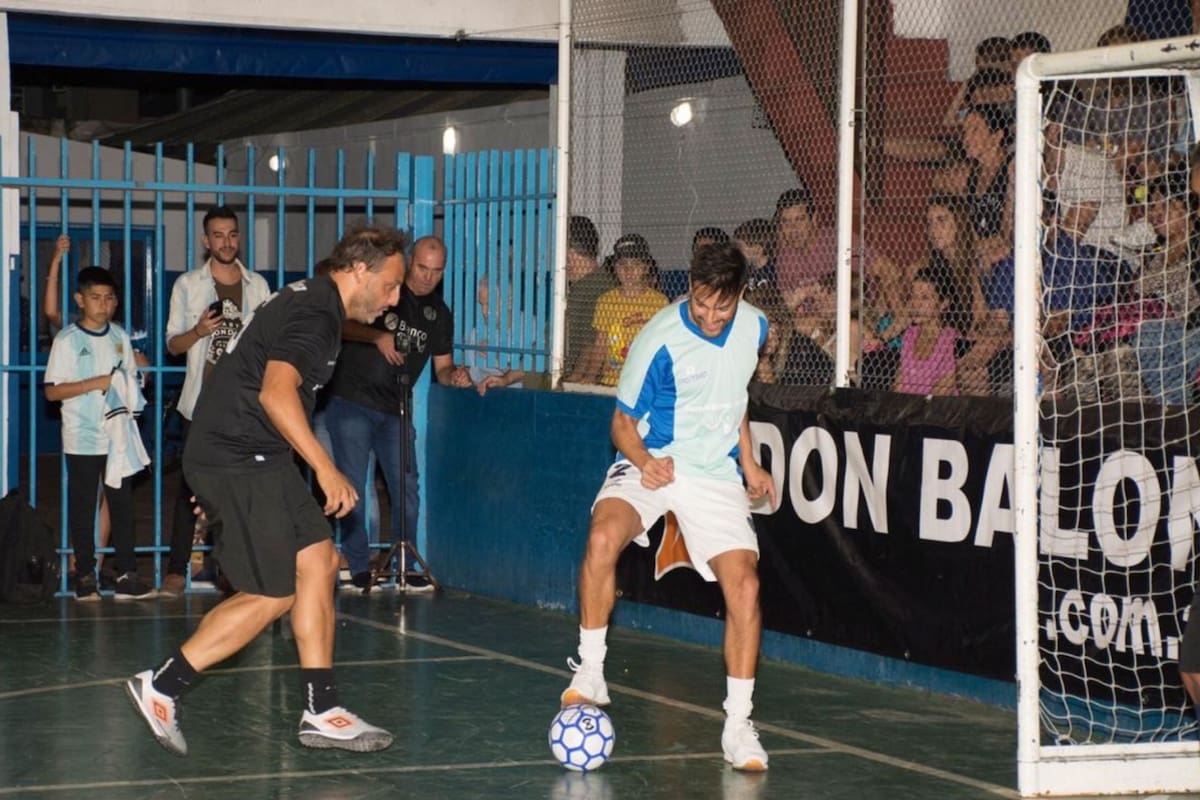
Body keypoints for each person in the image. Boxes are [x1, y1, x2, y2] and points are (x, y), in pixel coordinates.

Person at [125, 225, 407, 757]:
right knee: (271, 593)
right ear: (360, 270)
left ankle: (322, 710)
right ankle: (161, 686)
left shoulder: (315, 300)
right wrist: (326, 469)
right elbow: (276, 394)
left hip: (256, 455)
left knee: (320, 560)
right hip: (239, 455)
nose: (394, 300)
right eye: (391, 285)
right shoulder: (318, 314)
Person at [560, 241, 776, 772]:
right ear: (690, 289)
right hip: (653, 456)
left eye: (721, 307)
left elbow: (735, 397)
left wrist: (749, 461)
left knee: (746, 588)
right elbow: (621, 423)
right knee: (602, 538)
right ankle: (591, 670)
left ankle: (738, 726)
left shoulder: (755, 327)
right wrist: (644, 461)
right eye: (700, 303)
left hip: (714, 473)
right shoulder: (659, 336)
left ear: (741, 295)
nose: (709, 316)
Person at [324, 235, 472, 591]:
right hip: (353, 401)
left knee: (406, 485)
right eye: (422, 268)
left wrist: (456, 376)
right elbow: (341, 322)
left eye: (436, 271)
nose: (428, 277)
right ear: (409, 262)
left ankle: (405, 562)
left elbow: (442, 369)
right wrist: (376, 337)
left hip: (395, 409)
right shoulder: (385, 292)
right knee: (353, 484)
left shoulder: (439, 315)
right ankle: (358, 566)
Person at [161, 206, 272, 597]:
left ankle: (233, 568)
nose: (227, 242)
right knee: (190, 486)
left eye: (232, 234)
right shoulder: (188, 285)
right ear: (205, 241)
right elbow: (173, 345)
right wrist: (198, 330)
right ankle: (176, 569)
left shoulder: (258, 285)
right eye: (218, 235)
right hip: (200, 404)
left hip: (243, 406)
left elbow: (269, 343)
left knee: (241, 486)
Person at [44, 267, 154, 601]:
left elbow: (131, 378)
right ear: (80, 300)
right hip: (82, 435)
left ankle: (126, 574)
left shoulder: (119, 336)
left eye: (108, 298)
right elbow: (52, 391)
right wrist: (96, 383)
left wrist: (135, 381)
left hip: (116, 436)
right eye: (95, 298)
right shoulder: (67, 340)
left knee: (122, 505)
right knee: (83, 506)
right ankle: (85, 576)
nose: (103, 304)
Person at [568, 234, 669, 386]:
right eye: (622, 264)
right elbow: (600, 344)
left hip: (643, 380)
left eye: (635, 264)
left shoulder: (659, 302)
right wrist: (591, 376)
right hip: (611, 380)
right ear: (615, 268)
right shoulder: (606, 301)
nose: (628, 271)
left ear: (646, 267)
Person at [563, 216, 617, 381]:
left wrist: (575, 381)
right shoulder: (593, 283)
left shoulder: (591, 289)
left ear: (570, 251)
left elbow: (591, 344)